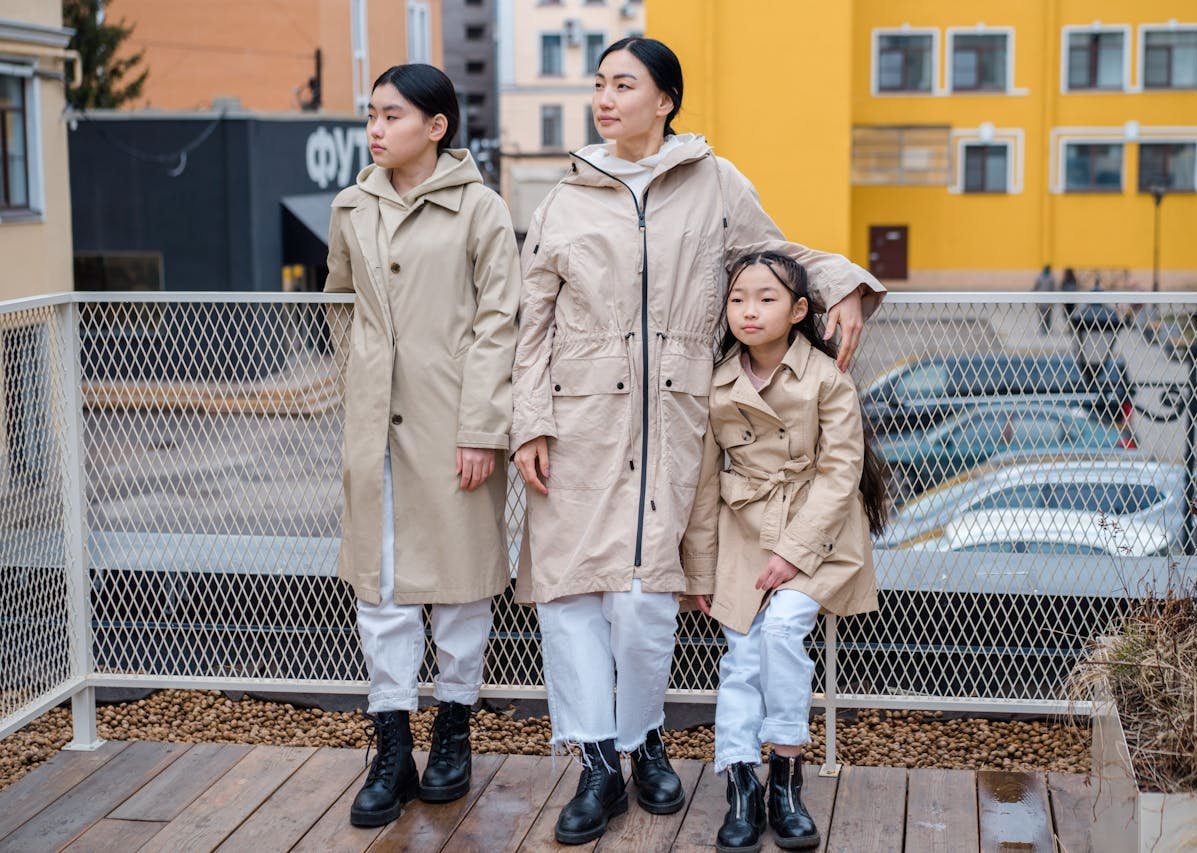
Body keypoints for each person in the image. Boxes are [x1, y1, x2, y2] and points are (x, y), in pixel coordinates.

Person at [510, 37, 885, 846]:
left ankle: (643, 738)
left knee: (644, 600)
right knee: (570, 598)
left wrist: (848, 283)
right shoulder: (563, 197)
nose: (605, 99)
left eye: (623, 84)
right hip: (577, 426)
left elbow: (776, 259)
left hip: (680, 426)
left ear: (665, 99)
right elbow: (530, 317)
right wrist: (529, 421)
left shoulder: (717, 184)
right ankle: (597, 762)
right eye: (600, 84)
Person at [324, 63, 521, 827]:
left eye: (392, 116)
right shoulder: (353, 205)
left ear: (436, 127)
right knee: (381, 587)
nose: (376, 129)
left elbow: (498, 321)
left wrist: (481, 427)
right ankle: (391, 745)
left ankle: (453, 732)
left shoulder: (481, 211)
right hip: (374, 424)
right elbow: (339, 300)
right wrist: (361, 370)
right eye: (371, 115)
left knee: (463, 588)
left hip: (454, 424)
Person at [682, 251, 886, 852]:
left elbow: (841, 471)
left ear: (799, 311)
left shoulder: (827, 378)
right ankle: (743, 784)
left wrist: (794, 553)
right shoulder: (716, 382)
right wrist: (700, 566)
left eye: (767, 299)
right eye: (739, 298)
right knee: (742, 654)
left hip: (821, 536)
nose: (749, 310)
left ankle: (788, 778)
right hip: (745, 532)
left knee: (782, 631)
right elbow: (702, 483)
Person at [1032, 264, 1055, 334]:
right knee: (1047, 315)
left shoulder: (1040, 277)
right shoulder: (1051, 278)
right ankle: (1046, 328)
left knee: (1042, 315)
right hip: (1048, 300)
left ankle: (1044, 328)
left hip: (1041, 300)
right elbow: (1053, 289)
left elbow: (1035, 287)